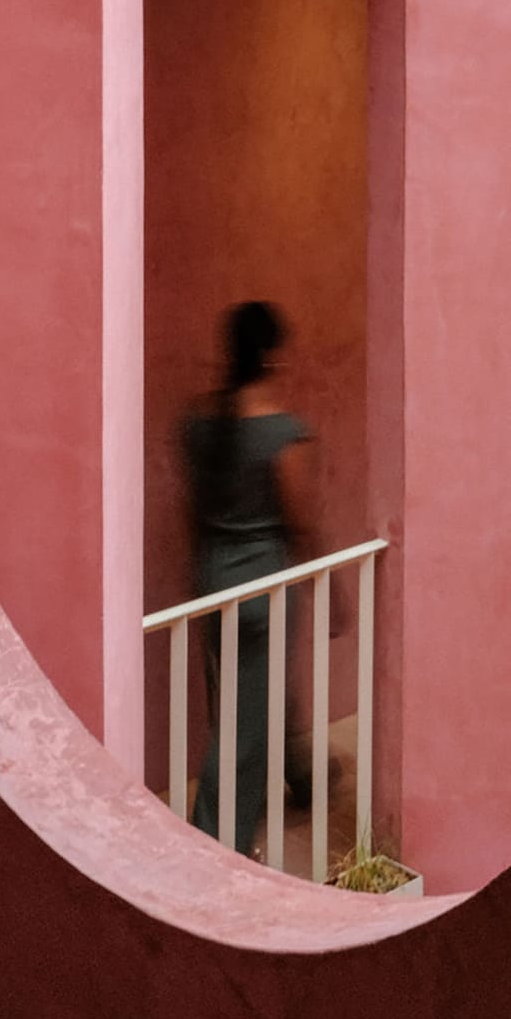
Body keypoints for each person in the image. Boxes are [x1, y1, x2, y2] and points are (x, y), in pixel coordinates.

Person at [183, 300, 318, 855]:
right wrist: (331, 588)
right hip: (265, 585)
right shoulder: (283, 432)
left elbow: (192, 511)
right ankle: (215, 842)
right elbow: (301, 521)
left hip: (214, 574)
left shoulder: (198, 425)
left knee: (250, 694)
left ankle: (301, 774)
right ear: (271, 357)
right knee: (245, 724)